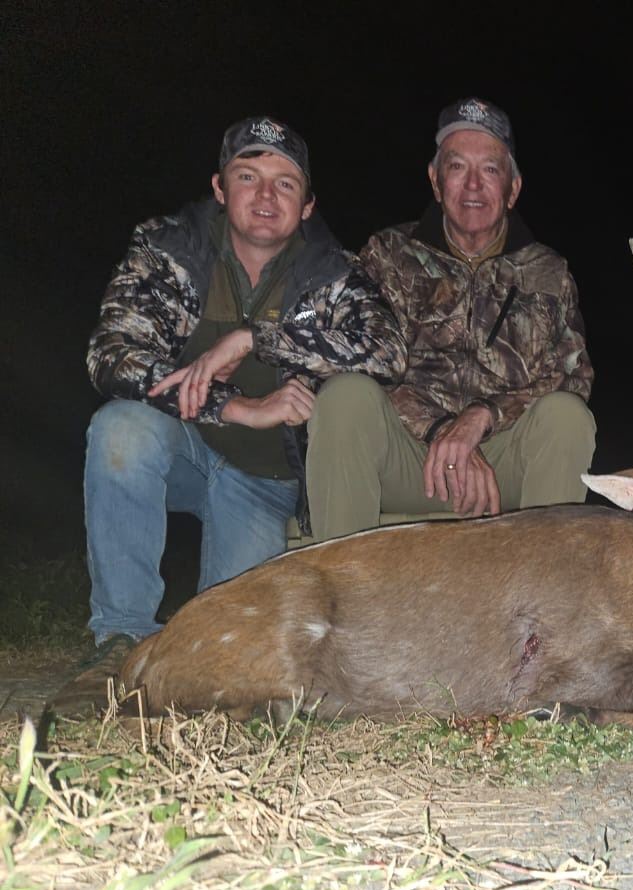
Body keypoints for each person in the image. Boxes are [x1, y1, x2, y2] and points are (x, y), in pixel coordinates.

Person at [82, 116, 407, 660]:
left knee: (224, 657)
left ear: (307, 205)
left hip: (265, 482)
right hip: (185, 450)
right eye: (248, 177)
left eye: (285, 183)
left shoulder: (335, 274)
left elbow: (388, 352)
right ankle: (120, 636)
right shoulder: (169, 249)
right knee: (120, 429)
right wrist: (236, 407)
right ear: (219, 187)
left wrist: (255, 339)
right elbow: (111, 354)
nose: (265, 196)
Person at [305, 96, 595, 539]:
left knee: (567, 417)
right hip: (410, 462)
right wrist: (442, 429)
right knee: (344, 395)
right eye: (457, 167)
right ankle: (343, 579)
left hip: (501, 467)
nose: (473, 185)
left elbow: (572, 378)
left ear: (513, 188)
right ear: (435, 181)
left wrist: (482, 417)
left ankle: (543, 580)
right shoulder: (387, 255)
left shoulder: (549, 273)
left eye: (490, 169)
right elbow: (359, 358)